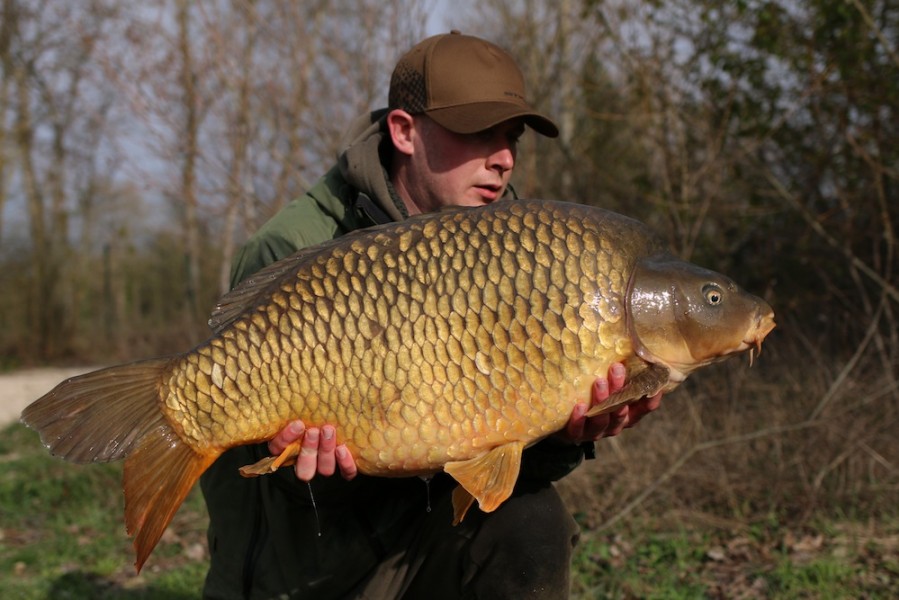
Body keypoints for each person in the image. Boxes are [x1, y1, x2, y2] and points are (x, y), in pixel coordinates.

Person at [200, 31, 662, 600]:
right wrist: (311, 476)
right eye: (478, 133)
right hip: (306, 573)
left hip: (425, 542)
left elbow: (498, 463)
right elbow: (252, 503)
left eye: (511, 136)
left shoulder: (531, 248)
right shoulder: (294, 246)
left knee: (531, 524)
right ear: (403, 131)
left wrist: (569, 435)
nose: (504, 159)